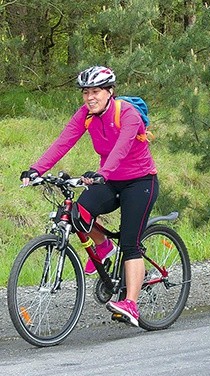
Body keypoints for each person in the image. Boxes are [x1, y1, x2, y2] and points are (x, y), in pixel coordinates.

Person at [20, 65, 159, 328]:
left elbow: (122, 147)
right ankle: (104, 246)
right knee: (76, 214)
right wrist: (37, 169)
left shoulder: (127, 114)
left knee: (130, 244)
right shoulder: (85, 115)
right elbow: (64, 141)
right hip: (109, 179)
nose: (89, 98)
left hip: (140, 182)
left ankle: (130, 302)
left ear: (110, 92)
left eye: (95, 91)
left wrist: (102, 173)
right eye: (85, 93)